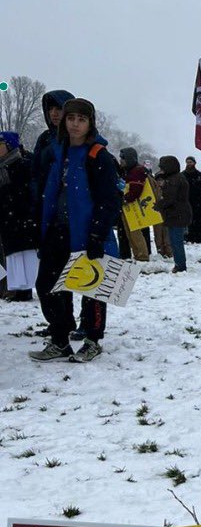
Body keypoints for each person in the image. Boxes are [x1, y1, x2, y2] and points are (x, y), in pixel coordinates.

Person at [30, 98, 121, 363]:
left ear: (90, 122)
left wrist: (97, 234)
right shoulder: (57, 152)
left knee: (92, 288)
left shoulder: (98, 155)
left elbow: (110, 199)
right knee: (47, 285)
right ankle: (60, 338)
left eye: (81, 119)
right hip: (57, 229)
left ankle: (93, 339)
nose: (75, 124)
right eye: (71, 118)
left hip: (89, 233)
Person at [0, 132, 39, 301]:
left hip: (22, 218)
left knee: (25, 256)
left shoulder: (23, 165)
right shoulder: (2, 167)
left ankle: (24, 290)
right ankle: (15, 288)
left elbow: (30, 193)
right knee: (13, 257)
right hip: (7, 220)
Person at [31, 89, 74, 206]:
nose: (53, 113)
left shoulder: (78, 138)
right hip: (45, 204)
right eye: (50, 109)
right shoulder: (45, 138)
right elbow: (35, 171)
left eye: (58, 108)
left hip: (70, 207)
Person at [154, 156, 191, 273]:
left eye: (163, 167)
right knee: (176, 240)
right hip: (177, 213)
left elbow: (170, 198)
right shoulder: (176, 177)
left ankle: (180, 265)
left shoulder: (174, 180)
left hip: (176, 214)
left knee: (176, 241)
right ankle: (179, 264)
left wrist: (158, 205)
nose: (161, 169)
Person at [119, 147, 149, 261]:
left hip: (134, 207)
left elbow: (136, 190)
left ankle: (142, 256)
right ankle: (138, 254)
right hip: (130, 206)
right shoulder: (131, 170)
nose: (121, 160)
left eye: (123, 158)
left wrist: (125, 198)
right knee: (131, 233)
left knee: (135, 233)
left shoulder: (136, 171)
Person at [183, 156, 201, 242]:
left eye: (191, 162)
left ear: (194, 163)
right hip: (187, 200)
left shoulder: (200, 175)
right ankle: (189, 236)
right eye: (188, 162)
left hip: (199, 201)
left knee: (199, 219)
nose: (189, 164)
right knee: (189, 219)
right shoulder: (183, 175)